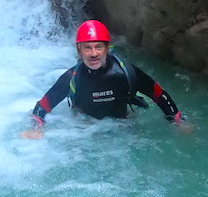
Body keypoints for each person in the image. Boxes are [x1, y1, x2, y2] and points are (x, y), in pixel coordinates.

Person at [21, 20, 187, 139]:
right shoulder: (72, 77)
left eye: (98, 47)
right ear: (79, 51)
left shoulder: (125, 72)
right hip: (85, 129)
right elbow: (42, 107)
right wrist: (36, 128)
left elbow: (159, 94)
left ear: (107, 48)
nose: (94, 53)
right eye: (88, 48)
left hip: (124, 125)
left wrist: (179, 121)